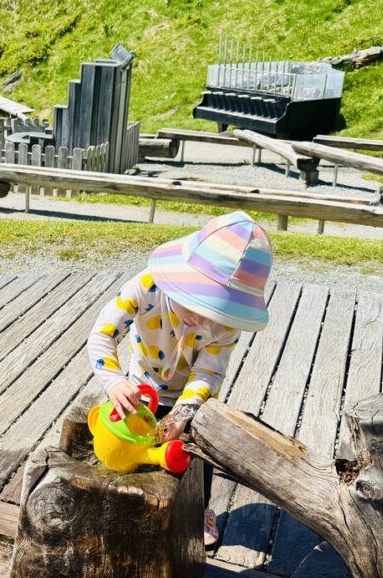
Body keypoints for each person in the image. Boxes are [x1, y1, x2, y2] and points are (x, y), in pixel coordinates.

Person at [85, 210, 273, 547]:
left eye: (215, 309)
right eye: (197, 304)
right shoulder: (147, 287)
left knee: (196, 455)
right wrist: (114, 381)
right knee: (132, 446)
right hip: (141, 388)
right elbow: (102, 335)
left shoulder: (224, 322)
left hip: (192, 398)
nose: (202, 319)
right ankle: (132, 506)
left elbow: (208, 371)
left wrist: (184, 412)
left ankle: (199, 508)